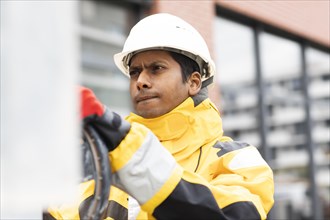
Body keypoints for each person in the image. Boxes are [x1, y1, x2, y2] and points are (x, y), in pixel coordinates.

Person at [44, 13, 274, 220]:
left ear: (193, 82)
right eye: (134, 72)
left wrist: (127, 148)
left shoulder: (237, 159)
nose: (141, 81)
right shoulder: (104, 158)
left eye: (156, 68)